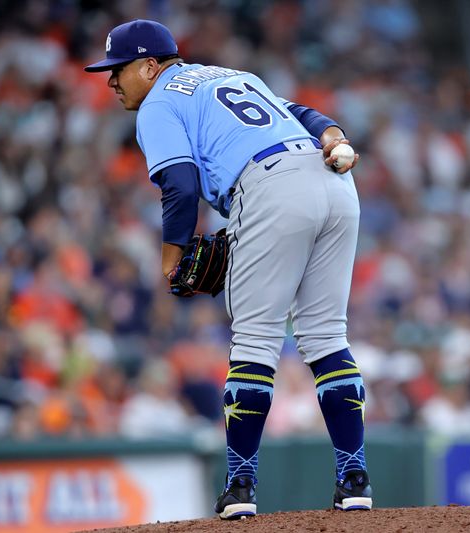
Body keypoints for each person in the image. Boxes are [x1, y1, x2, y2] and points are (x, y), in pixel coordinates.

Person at [85, 19, 372, 518]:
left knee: (255, 340)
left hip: (270, 187)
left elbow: (178, 182)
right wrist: (333, 132)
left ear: (151, 67)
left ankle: (240, 489)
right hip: (334, 182)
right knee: (326, 336)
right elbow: (301, 112)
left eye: (120, 69)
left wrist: (171, 260)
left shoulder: (158, 102)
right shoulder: (229, 75)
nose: (112, 81)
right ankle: (355, 479)